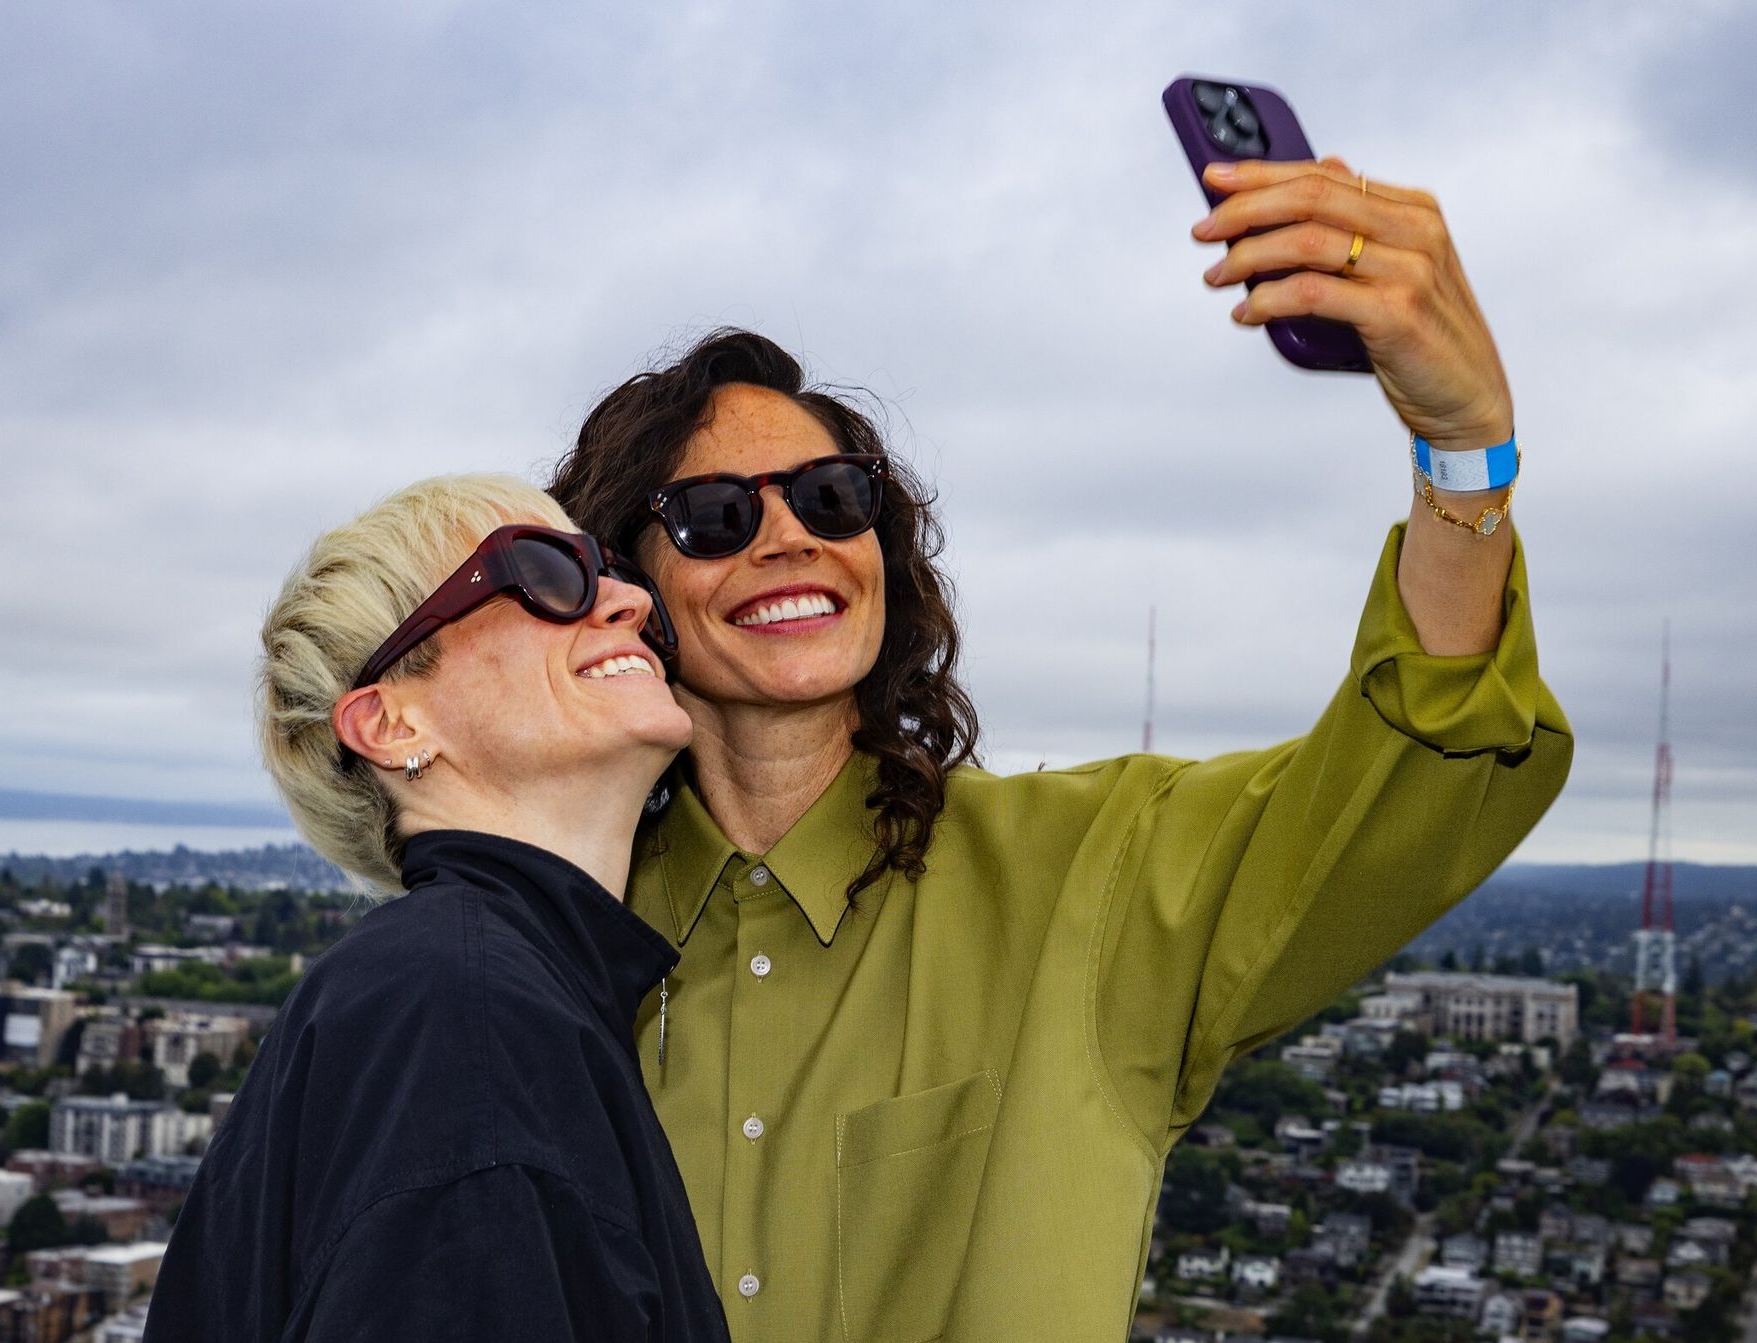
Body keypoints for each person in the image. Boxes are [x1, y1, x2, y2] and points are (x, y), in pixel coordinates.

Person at [547, 157, 1573, 1341]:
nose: (788, 537)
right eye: (716, 515)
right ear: (625, 585)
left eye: (832, 496)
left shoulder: (1089, 880)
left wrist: (1463, 450)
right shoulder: (563, 940)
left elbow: (1406, 763)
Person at [146, 475, 732, 1342]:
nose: (629, 599)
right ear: (391, 724)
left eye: (603, 567)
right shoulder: (466, 1019)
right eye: (543, 571)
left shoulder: (481, 995)